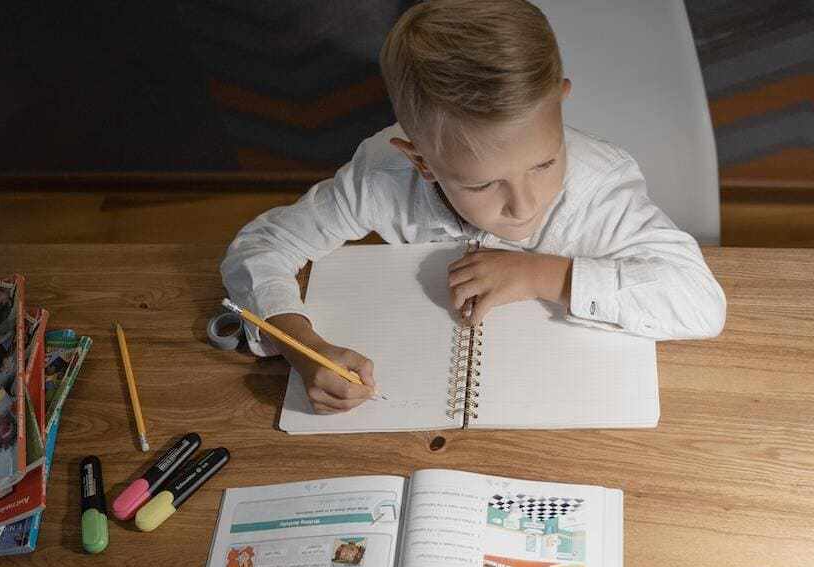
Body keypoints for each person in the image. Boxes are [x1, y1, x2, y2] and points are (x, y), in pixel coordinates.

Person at [221, 0, 726, 415]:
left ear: (560, 101)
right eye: (482, 184)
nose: (524, 204)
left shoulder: (602, 187)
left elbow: (702, 304)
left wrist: (542, 275)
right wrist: (298, 343)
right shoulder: (382, 177)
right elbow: (264, 245)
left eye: (545, 164)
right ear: (420, 160)